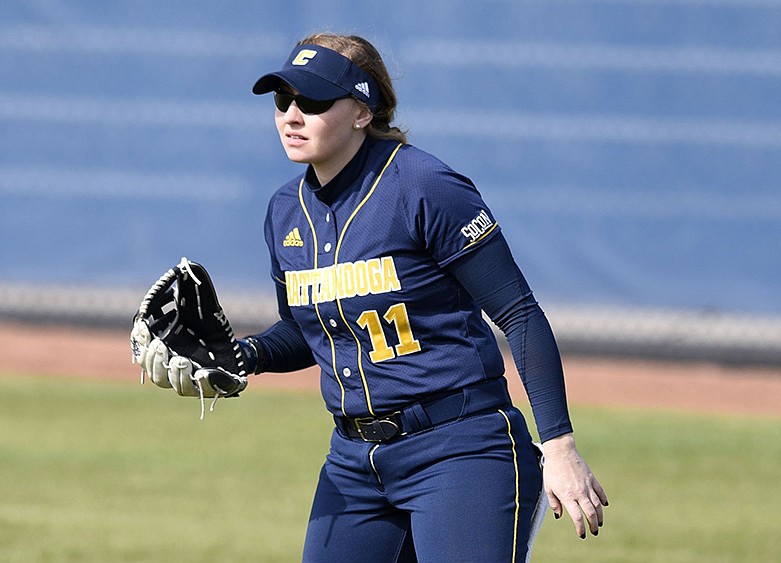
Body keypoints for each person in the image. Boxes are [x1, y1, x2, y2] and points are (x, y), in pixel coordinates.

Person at [239, 32, 608, 562]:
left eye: (313, 101)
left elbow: (520, 314)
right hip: (353, 459)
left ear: (363, 112)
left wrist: (559, 446)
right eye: (283, 100)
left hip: (460, 449)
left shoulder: (424, 186)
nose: (292, 116)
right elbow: (308, 331)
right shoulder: (285, 211)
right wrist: (242, 356)